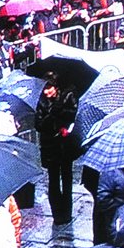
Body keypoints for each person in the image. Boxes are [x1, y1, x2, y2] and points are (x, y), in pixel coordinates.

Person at [33, 79, 78, 225]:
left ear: (56, 87)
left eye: (50, 88)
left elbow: (74, 115)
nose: (47, 92)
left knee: (67, 179)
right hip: (50, 146)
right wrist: (53, 114)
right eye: (45, 89)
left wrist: (65, 124)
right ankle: (57, 215)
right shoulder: (41, 102)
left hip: (65, 146)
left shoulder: (68, 96)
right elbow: (39, 125)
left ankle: (67, 213)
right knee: (53, 180)